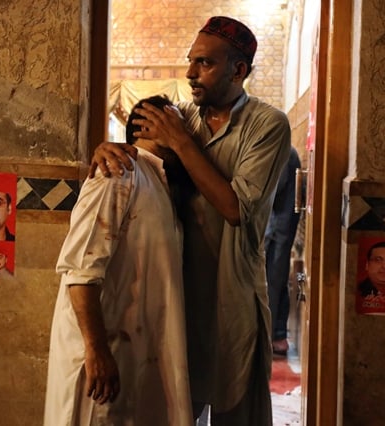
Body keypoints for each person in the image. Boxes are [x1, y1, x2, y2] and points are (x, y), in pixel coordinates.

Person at [89, 17, 291, 425]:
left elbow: (236, 209)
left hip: (233, 301)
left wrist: (181, 140)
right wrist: (107, 149)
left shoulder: (267, 125)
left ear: (238, 70)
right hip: (179, 299)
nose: (190, 73)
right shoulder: (184, 117)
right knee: (179, 412)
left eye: (205, 63)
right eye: (190, 61)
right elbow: (142, 152)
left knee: (238, 413)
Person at [44, 95, 193, 425]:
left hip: (131, 353)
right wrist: (96, 351)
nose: (186, 131)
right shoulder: (119, 172)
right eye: (175, 120)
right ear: (149, 125)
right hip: (102, 354)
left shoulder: (160, 182)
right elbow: (80, 271)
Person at [265, 146, 301, 357]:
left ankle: (270, 336)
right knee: (275, 279)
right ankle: (276, 334)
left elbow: (270, 190)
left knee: (272, 279)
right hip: (279, 226)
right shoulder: (284, 149)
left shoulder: (281, 149)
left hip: (278, 228)